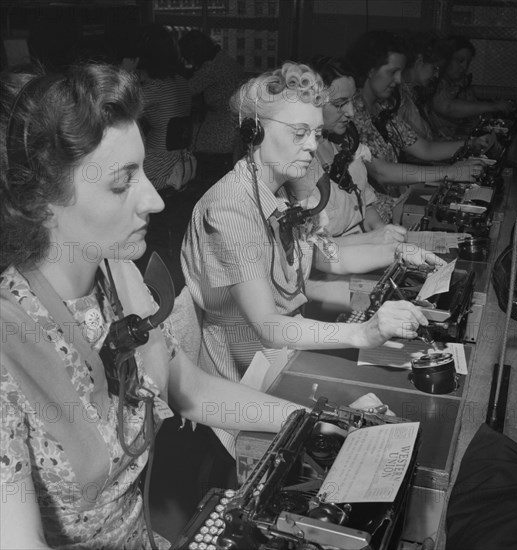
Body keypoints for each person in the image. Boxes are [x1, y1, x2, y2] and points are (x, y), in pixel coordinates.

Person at [0, 62, 304, 550]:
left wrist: (306, 420)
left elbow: (186, 387)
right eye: (122, 183)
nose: (155, 200)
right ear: (40, 199)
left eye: (142, 170)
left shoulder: (116, 272)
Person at [180, 62, 444, 446]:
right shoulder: (230, 208)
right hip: (244, 380)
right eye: (300, 133)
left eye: (315, 133)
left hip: (283, 354)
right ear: (254, 132)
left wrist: (398, 253)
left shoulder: (284, 185)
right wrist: (363, 332)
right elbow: (268, 325)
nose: (310, 145)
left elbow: (328, 256)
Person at [346, 30, 490, 222]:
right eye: (392, 72)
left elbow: (425, 148)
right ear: (370, 70)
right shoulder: (350, 112)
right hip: (369, 218)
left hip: (393, 206)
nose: (398, 80)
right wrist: (450, 172)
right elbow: (381, 172)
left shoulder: (383, 109)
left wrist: (471, 143)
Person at [291, 55, 407, 247]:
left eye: (352, 101)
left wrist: (385, 234)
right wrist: (371, 240)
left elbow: (365, 207)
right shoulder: (296, 165)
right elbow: (312, 246)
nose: (351, 112)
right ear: (309, 103)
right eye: (339, 104)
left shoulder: (346, 144)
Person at [179, 29, 244, 186]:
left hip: (219, 131)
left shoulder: (211, 68)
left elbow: (187, 90)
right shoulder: (225, 59)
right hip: (234, 127)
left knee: (191, 151)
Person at [135, 24, 195, 192]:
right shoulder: (181, 81)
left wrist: (125, 71)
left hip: (159, 164)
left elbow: (117, 108)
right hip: (183, 159)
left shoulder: (155, 88)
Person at [427, 35, 515, 139]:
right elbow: (448, 107)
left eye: (467, 63)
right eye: (460, 60)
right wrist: (494, 106)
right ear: (445, 59)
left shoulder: (461, 83)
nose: (464, 67)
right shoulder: (434, 81)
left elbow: (475, 114)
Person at [399, 31, 445, 141]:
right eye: (435, 68)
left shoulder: (412, 93)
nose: (437, 75)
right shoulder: (401, 96)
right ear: (419, 61)